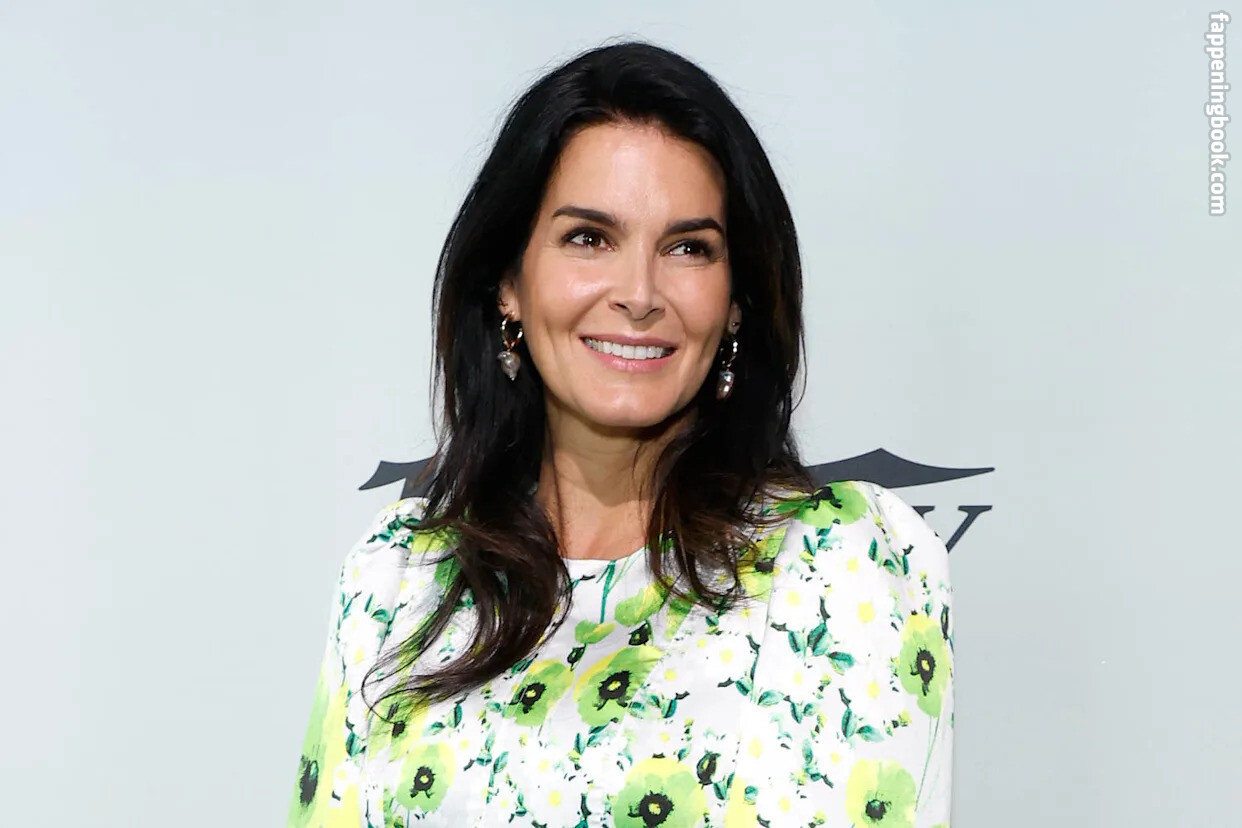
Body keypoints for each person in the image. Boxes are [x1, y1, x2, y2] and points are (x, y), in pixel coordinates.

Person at [287, 39, 953, 828]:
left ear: (735, 303)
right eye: (589, 238)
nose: (639, 293)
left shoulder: (841, 562)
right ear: (508, 283)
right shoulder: (397, 580)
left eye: (688, 248)